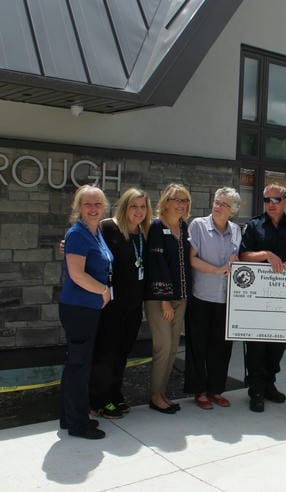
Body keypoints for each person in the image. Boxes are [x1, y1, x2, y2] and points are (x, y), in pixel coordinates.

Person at [239, 183, 286, 412]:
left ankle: (270, 385)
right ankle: (256, 391)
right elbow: (243, 255)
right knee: (257, 346)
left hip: (285, 297)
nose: (270, 204)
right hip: (257, 298)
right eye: (267, 200)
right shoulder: (254, 225)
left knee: (277, 345)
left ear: (285, 201)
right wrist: (266, 254)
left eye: (275, 200)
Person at [88, 188, 152, 419]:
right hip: (111, 305)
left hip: (133, 306)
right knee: (106, 353)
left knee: (122, 353)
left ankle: (115, 394)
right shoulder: (108, 228)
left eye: (143, 207)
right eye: (134, 206)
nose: (138, 211)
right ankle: (98, 400)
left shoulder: (143, 233)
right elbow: (85, 245)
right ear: (124, 206)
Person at [59, 185, 113, 439]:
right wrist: (103, 290)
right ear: (78, 208)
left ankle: (70, 418)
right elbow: (76, 274)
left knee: (79, 364)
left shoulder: (96, 231)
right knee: (78, 366)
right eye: (88, 204)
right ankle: (77, 424)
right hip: (78, 308)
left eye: (98, 204)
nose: (93, 209)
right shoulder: (78, 234)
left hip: (89, 309)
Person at [185, 187, 242, 410]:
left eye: (223, 204)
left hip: (227, 299)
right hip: (202, 296)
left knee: (221, 347)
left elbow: (237, 259)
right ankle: (199, 392)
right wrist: (218, 270)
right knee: (198, 346)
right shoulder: (198, 225)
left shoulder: (237, 230)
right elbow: (192, 259)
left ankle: (216, 390)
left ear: (233, 211)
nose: (217, 207)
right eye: (217, 202)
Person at [145, 184, 192, 414]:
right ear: (166, 201)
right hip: (160, 299)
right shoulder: (156, 226)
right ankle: (155, 396)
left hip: (180, 298)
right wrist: (164, 300)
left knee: (173, 348)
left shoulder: (184, 227)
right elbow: (156, 264)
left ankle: (162, 392)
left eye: (184, 201)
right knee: (163, 347)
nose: (181, 204)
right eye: (177, 200)